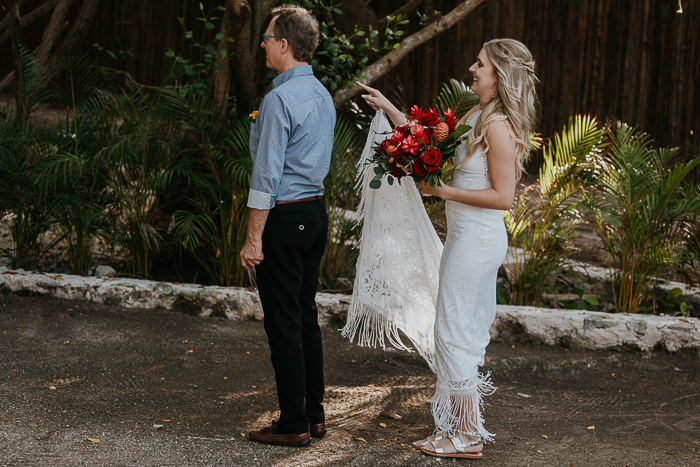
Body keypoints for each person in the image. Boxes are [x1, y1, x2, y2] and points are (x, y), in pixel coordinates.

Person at [357, 38, 538, 459]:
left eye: (481, 64)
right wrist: (390, 109)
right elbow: (426, 144)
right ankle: (453, 428)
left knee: (454, 332)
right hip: (463, 238)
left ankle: (468, 434)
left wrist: (444, 192)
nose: (472, 69)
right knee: (455, 331)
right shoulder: (478, 114)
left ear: (500, 76)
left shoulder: (497, 126)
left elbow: (504, 197)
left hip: (477, 241)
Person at [240, 5, 336, 448]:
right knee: (305, 321)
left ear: (283, 44)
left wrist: (253, 238)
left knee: (284, 324)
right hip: (315, 214)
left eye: (267, 36)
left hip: (286, 217)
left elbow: (266, 177)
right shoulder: (320, 93)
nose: (262, 43)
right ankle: (313, 417)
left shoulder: (279, 100)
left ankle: (293, 423)